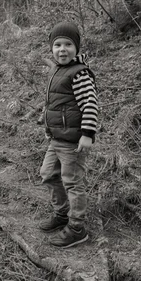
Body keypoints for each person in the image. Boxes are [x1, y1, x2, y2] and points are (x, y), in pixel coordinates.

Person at [38, 21, 99, 248]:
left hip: (73, 141)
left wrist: (87, 134)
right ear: (51, 49)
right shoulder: (57, 70)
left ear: (77, 48)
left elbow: (90, 104)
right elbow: (53, 104)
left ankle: (77, 227)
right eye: (57, 45)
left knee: (72, 182)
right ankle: (62, 213)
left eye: (68, 45)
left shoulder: (79, 74)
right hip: (56, 138)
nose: (62, 49)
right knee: (48, 174)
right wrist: (47, 126)